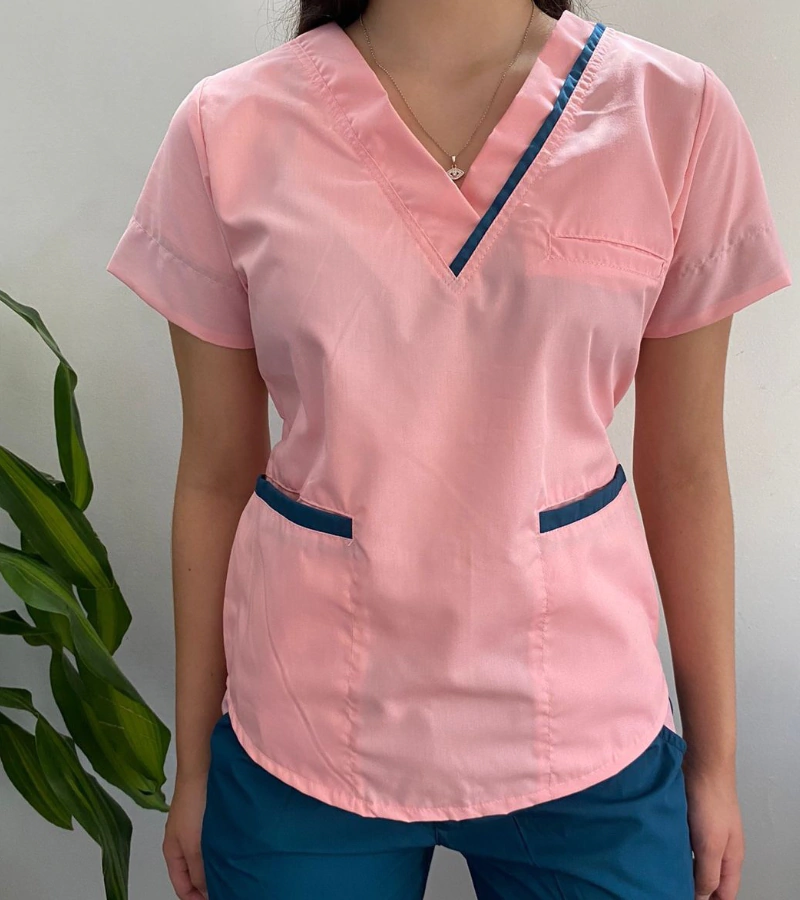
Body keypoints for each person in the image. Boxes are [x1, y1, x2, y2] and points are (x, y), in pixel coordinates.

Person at [105, 1, 792, 898]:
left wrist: (714, 761)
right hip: (305, 732)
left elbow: (686, 469)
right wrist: (196, 764)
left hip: (586, 732)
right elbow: (214, 475)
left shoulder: (673, 115)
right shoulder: (227, 128)